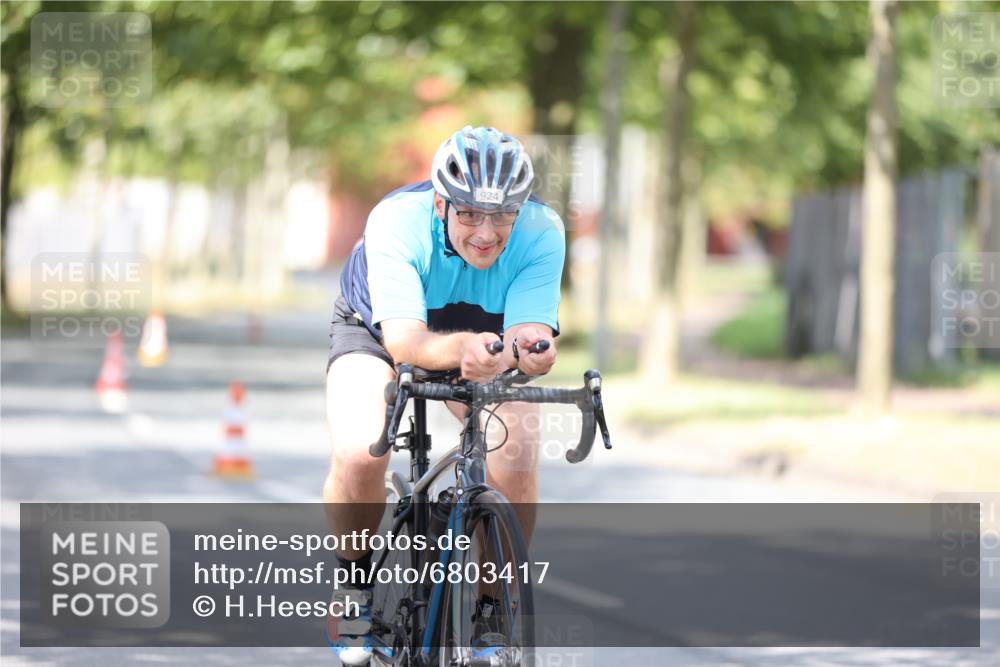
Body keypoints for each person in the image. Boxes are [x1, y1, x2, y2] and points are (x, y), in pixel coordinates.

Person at [324, 126, 566, 665]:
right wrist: (466, 349)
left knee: (519, 447)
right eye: (471, 215)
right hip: (382, 324)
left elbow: (528, 332)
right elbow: (405, 343)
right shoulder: (397, 221)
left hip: (481, 330)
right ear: (441, 203)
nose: (487, 232)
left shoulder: (544, 230)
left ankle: (489, 610)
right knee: (362, 448)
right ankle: (355, 581)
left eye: (504, 215)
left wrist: (533, 350)